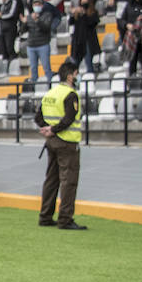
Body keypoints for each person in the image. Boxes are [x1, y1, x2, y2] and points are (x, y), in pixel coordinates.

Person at [35, 60, 86, 231]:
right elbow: (69, 118)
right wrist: (54, 129)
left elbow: (38, 116)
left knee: (51, 179)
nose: (77, 78)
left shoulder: (51, 93)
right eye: (77, 74)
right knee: (68, 181)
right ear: (71, 76)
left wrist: (46, 129)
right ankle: (65, 219)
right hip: (67, 142)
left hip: (51, 142)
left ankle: (45, 216)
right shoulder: (70, 94)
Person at [68, 0, 101, 74]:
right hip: (78, 40)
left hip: (88, 41)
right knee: (75, 63)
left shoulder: (93, 13)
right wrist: (73, 14)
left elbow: (91, 23)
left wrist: (84, 14)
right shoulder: (78, 13)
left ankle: (91, 77)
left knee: (88, 62)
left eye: (85, 3)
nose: (83, 5)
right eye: (82, 3)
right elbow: (71, 22)